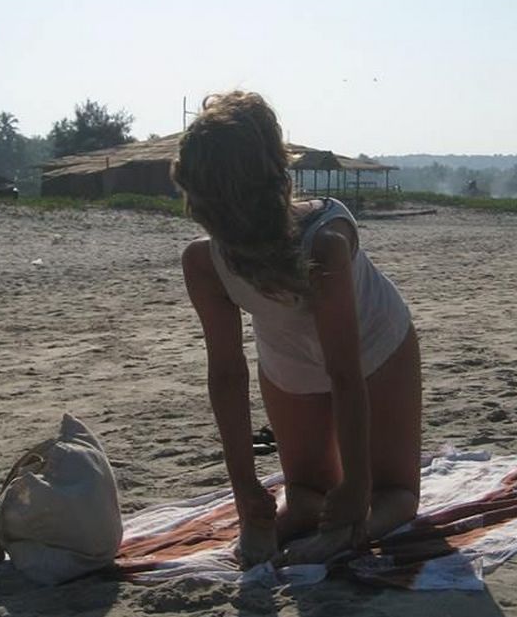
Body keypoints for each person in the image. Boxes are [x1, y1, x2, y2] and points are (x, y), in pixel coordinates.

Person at [172, 91, 422, 567]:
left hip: (376, 348)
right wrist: (245, 488)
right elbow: (226, 374)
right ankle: (300, 522)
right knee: (308, 491)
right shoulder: (204, 261)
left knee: (395, 494)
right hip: (288, 363)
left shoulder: (325, 240)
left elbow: (345, 372)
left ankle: (352, 531)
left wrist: (357, 489)